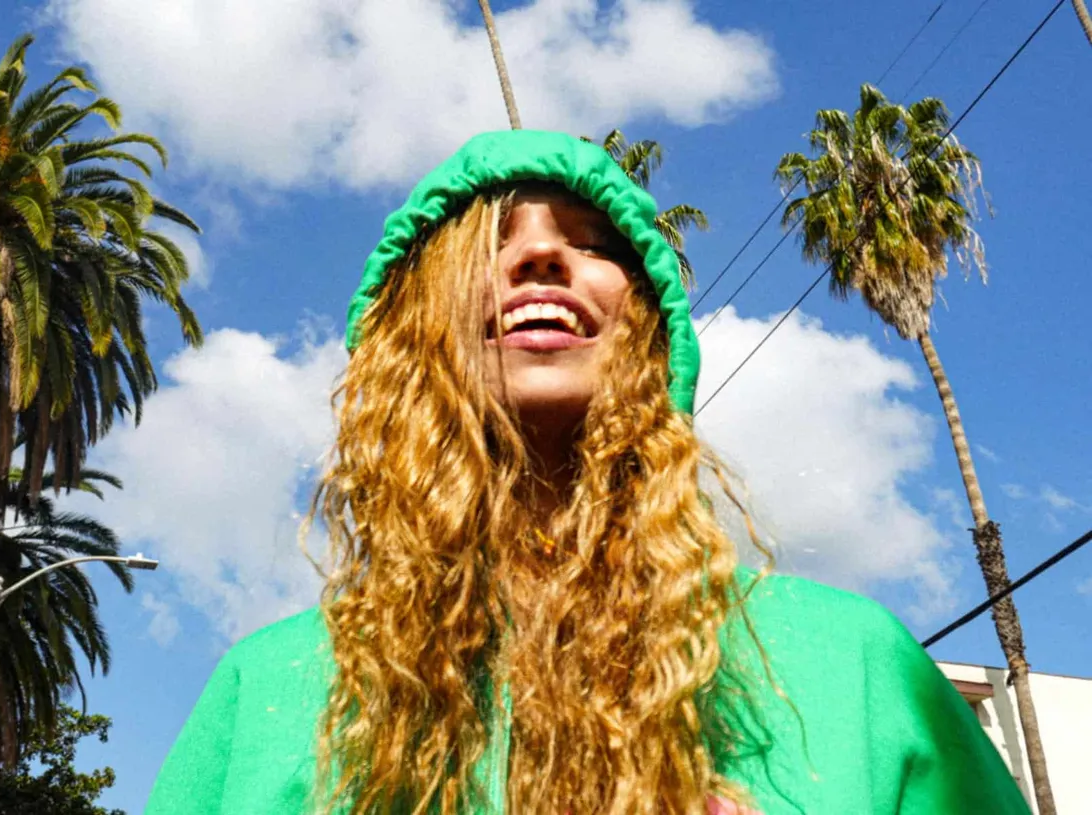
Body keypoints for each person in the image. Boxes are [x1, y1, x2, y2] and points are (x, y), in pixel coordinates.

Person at [145, 131, 1028, 814]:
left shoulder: (858, 667)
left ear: (649, 330)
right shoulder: (267, 686)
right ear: (408, 333)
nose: (541, 256)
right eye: (488, 240)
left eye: (595, 240)